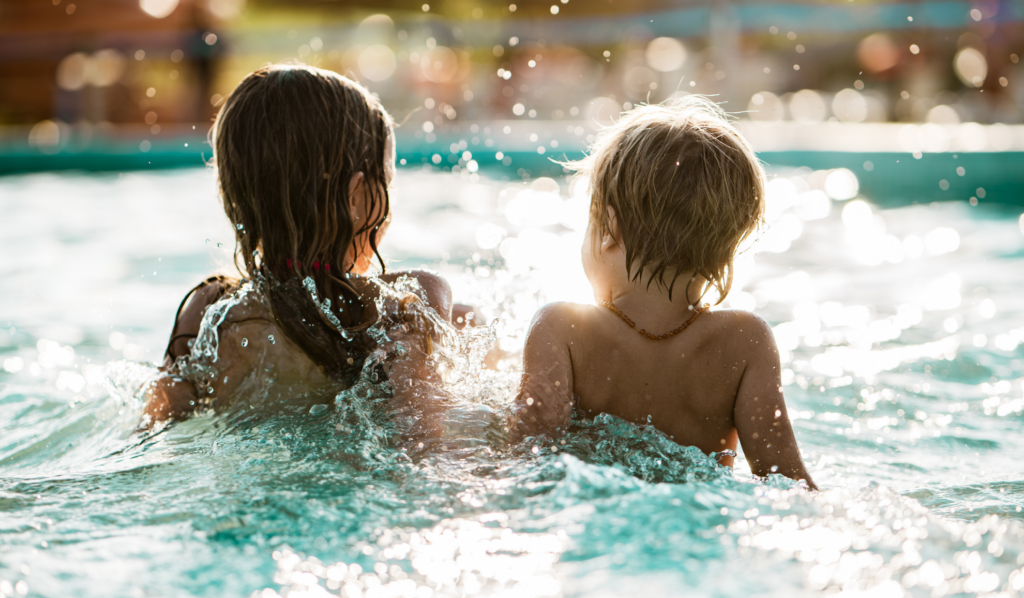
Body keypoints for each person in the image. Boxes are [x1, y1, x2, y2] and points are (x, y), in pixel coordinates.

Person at [510, 97, 817, 489]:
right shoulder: (746, 341)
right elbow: (788, 481)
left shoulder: (563, 329)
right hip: (701, 525)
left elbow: (526, 460)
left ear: (608, 228)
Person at [142, 65, 456, 427]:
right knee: (472, 317)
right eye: (387, 183)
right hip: (354, 473)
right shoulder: (406, 299)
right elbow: (423, 435)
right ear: (356, 198)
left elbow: (155, 424)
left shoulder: (208, 310)